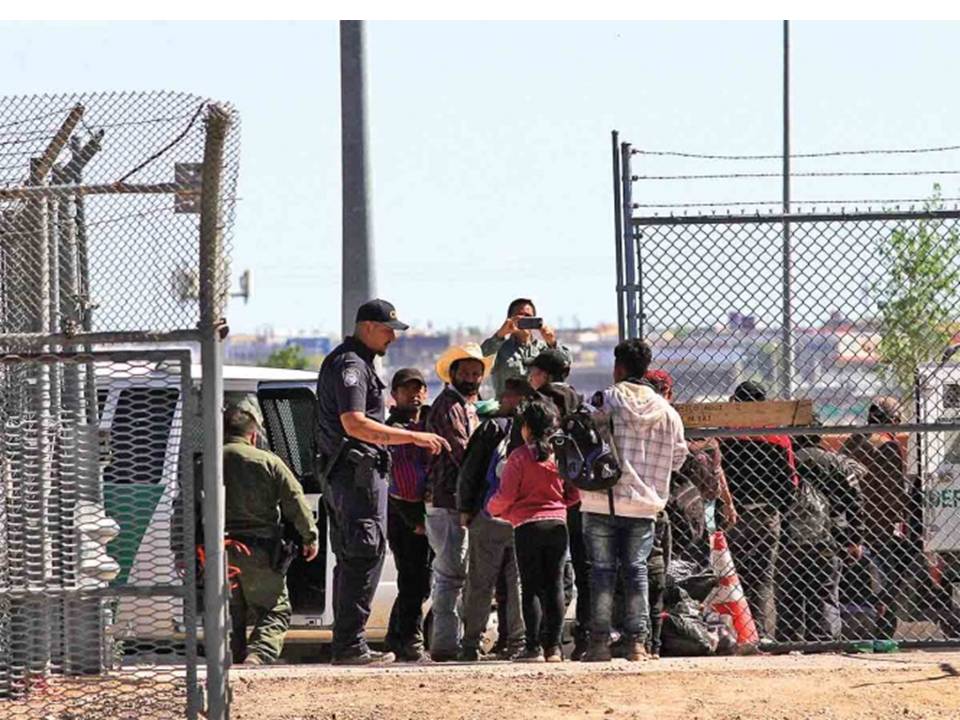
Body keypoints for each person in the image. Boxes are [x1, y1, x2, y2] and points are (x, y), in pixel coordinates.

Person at [315, 299, 449, 666]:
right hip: (355, 475)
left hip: (356, 474)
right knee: (363, 552)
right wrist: (413, 437)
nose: (393, 337)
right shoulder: (351, 366)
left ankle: (348, 642)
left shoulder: (356, 363)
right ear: (368, 327)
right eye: (388, 329)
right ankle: (350, 645)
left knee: (358, 555)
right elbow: (355, 424)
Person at [580, 339, 688, 662]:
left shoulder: (603, 401)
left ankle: (599, 643)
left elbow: (580, 438)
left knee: (601, 573)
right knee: (637, 572)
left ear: (618, 368)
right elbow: (678, 460)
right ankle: (637, 644)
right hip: (644, 505)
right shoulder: (667, 412)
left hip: (601, 499)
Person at [223, 399, 319, 665]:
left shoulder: (207, 463)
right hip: (259, 550)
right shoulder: (268, 461)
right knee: (274, 609)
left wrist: (180, 550)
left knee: (231, 611)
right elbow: (295, 499)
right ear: (253, 435)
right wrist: (310, 536)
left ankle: (231, 658)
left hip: (218, 551)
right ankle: (258, 654)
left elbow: (186, 507)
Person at [488, 400, 581, 662]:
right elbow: (574, 493)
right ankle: (554, 647)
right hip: (557, 525)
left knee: (531, 587)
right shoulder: (560, 455)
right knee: (554, 585)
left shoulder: (518, 457)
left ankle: (533, 647)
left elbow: (506, 496)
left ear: (526, 428)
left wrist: (493, 509)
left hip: (527, 527)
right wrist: (560, 506)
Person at [424, 342, 493, 661]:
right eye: (465, 372)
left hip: (456, 501)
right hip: (447, 500)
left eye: (476, 373)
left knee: (456, 575)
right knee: (450, 575)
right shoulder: (449, 407)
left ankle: (451, 642)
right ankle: (445, 644)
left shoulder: (466, 406)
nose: (471, 378)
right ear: (452, 374)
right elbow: (463, 453)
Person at [457, 377, 534, 661]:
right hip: (522, 518)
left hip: (489, 515)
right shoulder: (537, 432)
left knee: (480, 581)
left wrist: (465, 508)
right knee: (517, 583)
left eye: (506, 396)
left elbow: (470, 470)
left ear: (512, 399)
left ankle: (470, 643)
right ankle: (518, 642)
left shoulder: (492, 427)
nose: (501, 400)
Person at [719, 380, 797, 642]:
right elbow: (790, 481)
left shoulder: (725, 434)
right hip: (765, 513)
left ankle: (733, 632)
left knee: (730, 574)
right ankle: (760, 634)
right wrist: (781, 508)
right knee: (762, 576)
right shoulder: (777, 436)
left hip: (733, 512)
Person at [526, 348, 592, 660]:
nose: (531, 377)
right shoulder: (582, 402)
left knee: (547, 574)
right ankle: (585, 637)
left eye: (534, 372)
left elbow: (524, 448)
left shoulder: (537, 404)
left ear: (545, 375)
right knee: (584, 567)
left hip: (546, 496)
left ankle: (546, 639)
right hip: (580, 493)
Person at [775, 422, 866, 642]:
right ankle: (824, 639)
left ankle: (789, 639)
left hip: (790, 537)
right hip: (830, 537)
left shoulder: (786, 460)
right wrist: (855, 539)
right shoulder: (836, 462)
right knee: (825, 591)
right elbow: (856, 502)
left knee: (789, 591)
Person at [840, 397, 910, 639]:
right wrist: (901, 514)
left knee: (855, 581)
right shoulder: (886, 445)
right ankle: (881, 632)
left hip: (850, 523)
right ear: (894, 420)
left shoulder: (854, 440)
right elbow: (893, 493)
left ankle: (858, 630)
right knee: (884, 581)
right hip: (878, 526)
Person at [384, 368, 433, 662]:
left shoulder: (428, 423)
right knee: (413, 579)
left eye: (419, 389)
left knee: (419, 581)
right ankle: (411, 641)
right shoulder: (392, 430)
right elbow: (394, 481)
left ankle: (396, 636)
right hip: (404, 516)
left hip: (427, 513)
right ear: (395, 395)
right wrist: (414, 521)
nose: (414, 395)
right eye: (407, 389)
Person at [481, 297, 571, 399]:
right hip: (508, 406)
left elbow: (565, 365)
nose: (525, 320)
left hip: (539, 406)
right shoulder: (499, 348)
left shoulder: (544, 349)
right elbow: (481, 358)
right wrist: (500, 334)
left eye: (528, 317)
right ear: (510, 319)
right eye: (520, 316)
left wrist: (552, 343)